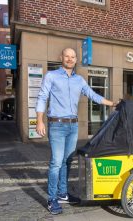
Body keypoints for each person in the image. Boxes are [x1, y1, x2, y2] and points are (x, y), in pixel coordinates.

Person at [35, 48, 116, 215]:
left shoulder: (79, 80)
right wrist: (39, 120)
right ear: (61, 57)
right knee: (57, 162)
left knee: (68, 160)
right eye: (67, 56)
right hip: (56, 125)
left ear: (76, 59)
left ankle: (63, 193)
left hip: (73, 126)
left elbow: (92, 95)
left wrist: (112, 103)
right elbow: (42, 97)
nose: (70, 59)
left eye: (73, 57)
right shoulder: (51, 76)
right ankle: (52, 198)